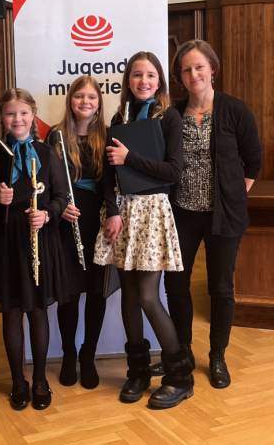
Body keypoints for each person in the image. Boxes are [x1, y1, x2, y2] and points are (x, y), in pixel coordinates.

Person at [93, 51, 193, 409]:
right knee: (129, 298)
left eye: (150, 75)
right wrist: (112, 211)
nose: (144, 81)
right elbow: (108, 173)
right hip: (122, 214)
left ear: (159, 81)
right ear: (128, 80)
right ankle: (137, 372)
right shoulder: (118, 118)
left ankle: (180, 377)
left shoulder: (169, 117)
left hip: (152, 212)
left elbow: (173, 172)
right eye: (137, 75)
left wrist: (129, 158)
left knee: (149, 297)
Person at [164, 39, 261, 389]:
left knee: (221, 288)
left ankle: (217, 355)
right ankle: (183, 351)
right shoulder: (172, 115)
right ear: (180, 77)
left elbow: (254, 160)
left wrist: (233, 193)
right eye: (186, 70)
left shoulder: (235, 110)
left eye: (199, 67)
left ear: (212, 69)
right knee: (176, 284)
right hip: (182, 214)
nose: (193, 74)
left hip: (224, 216)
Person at [0, 88, 69, 411]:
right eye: (10, 114)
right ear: (1, 118)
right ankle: (18, 380)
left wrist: (47, 215)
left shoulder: (46, 154)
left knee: (38, 311)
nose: (17, 119)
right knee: (12, 313)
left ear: (33, 116)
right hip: (5, 243)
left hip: (38, 241)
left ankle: (41, 379)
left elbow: (61, 197)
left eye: (23, 113)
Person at [47, 75, 107, 389]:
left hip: (97, 223)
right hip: (66, 223)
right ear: (70, 100)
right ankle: (69, 353)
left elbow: (112, 184)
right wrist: (59, 208)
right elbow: (45, 184)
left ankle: (88, 354)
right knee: (68, 294)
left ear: (99, 103)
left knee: (96, 292)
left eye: (91, 97)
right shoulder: (55, 136)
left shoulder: (107, 136)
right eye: (79, 96)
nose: (85, 102)